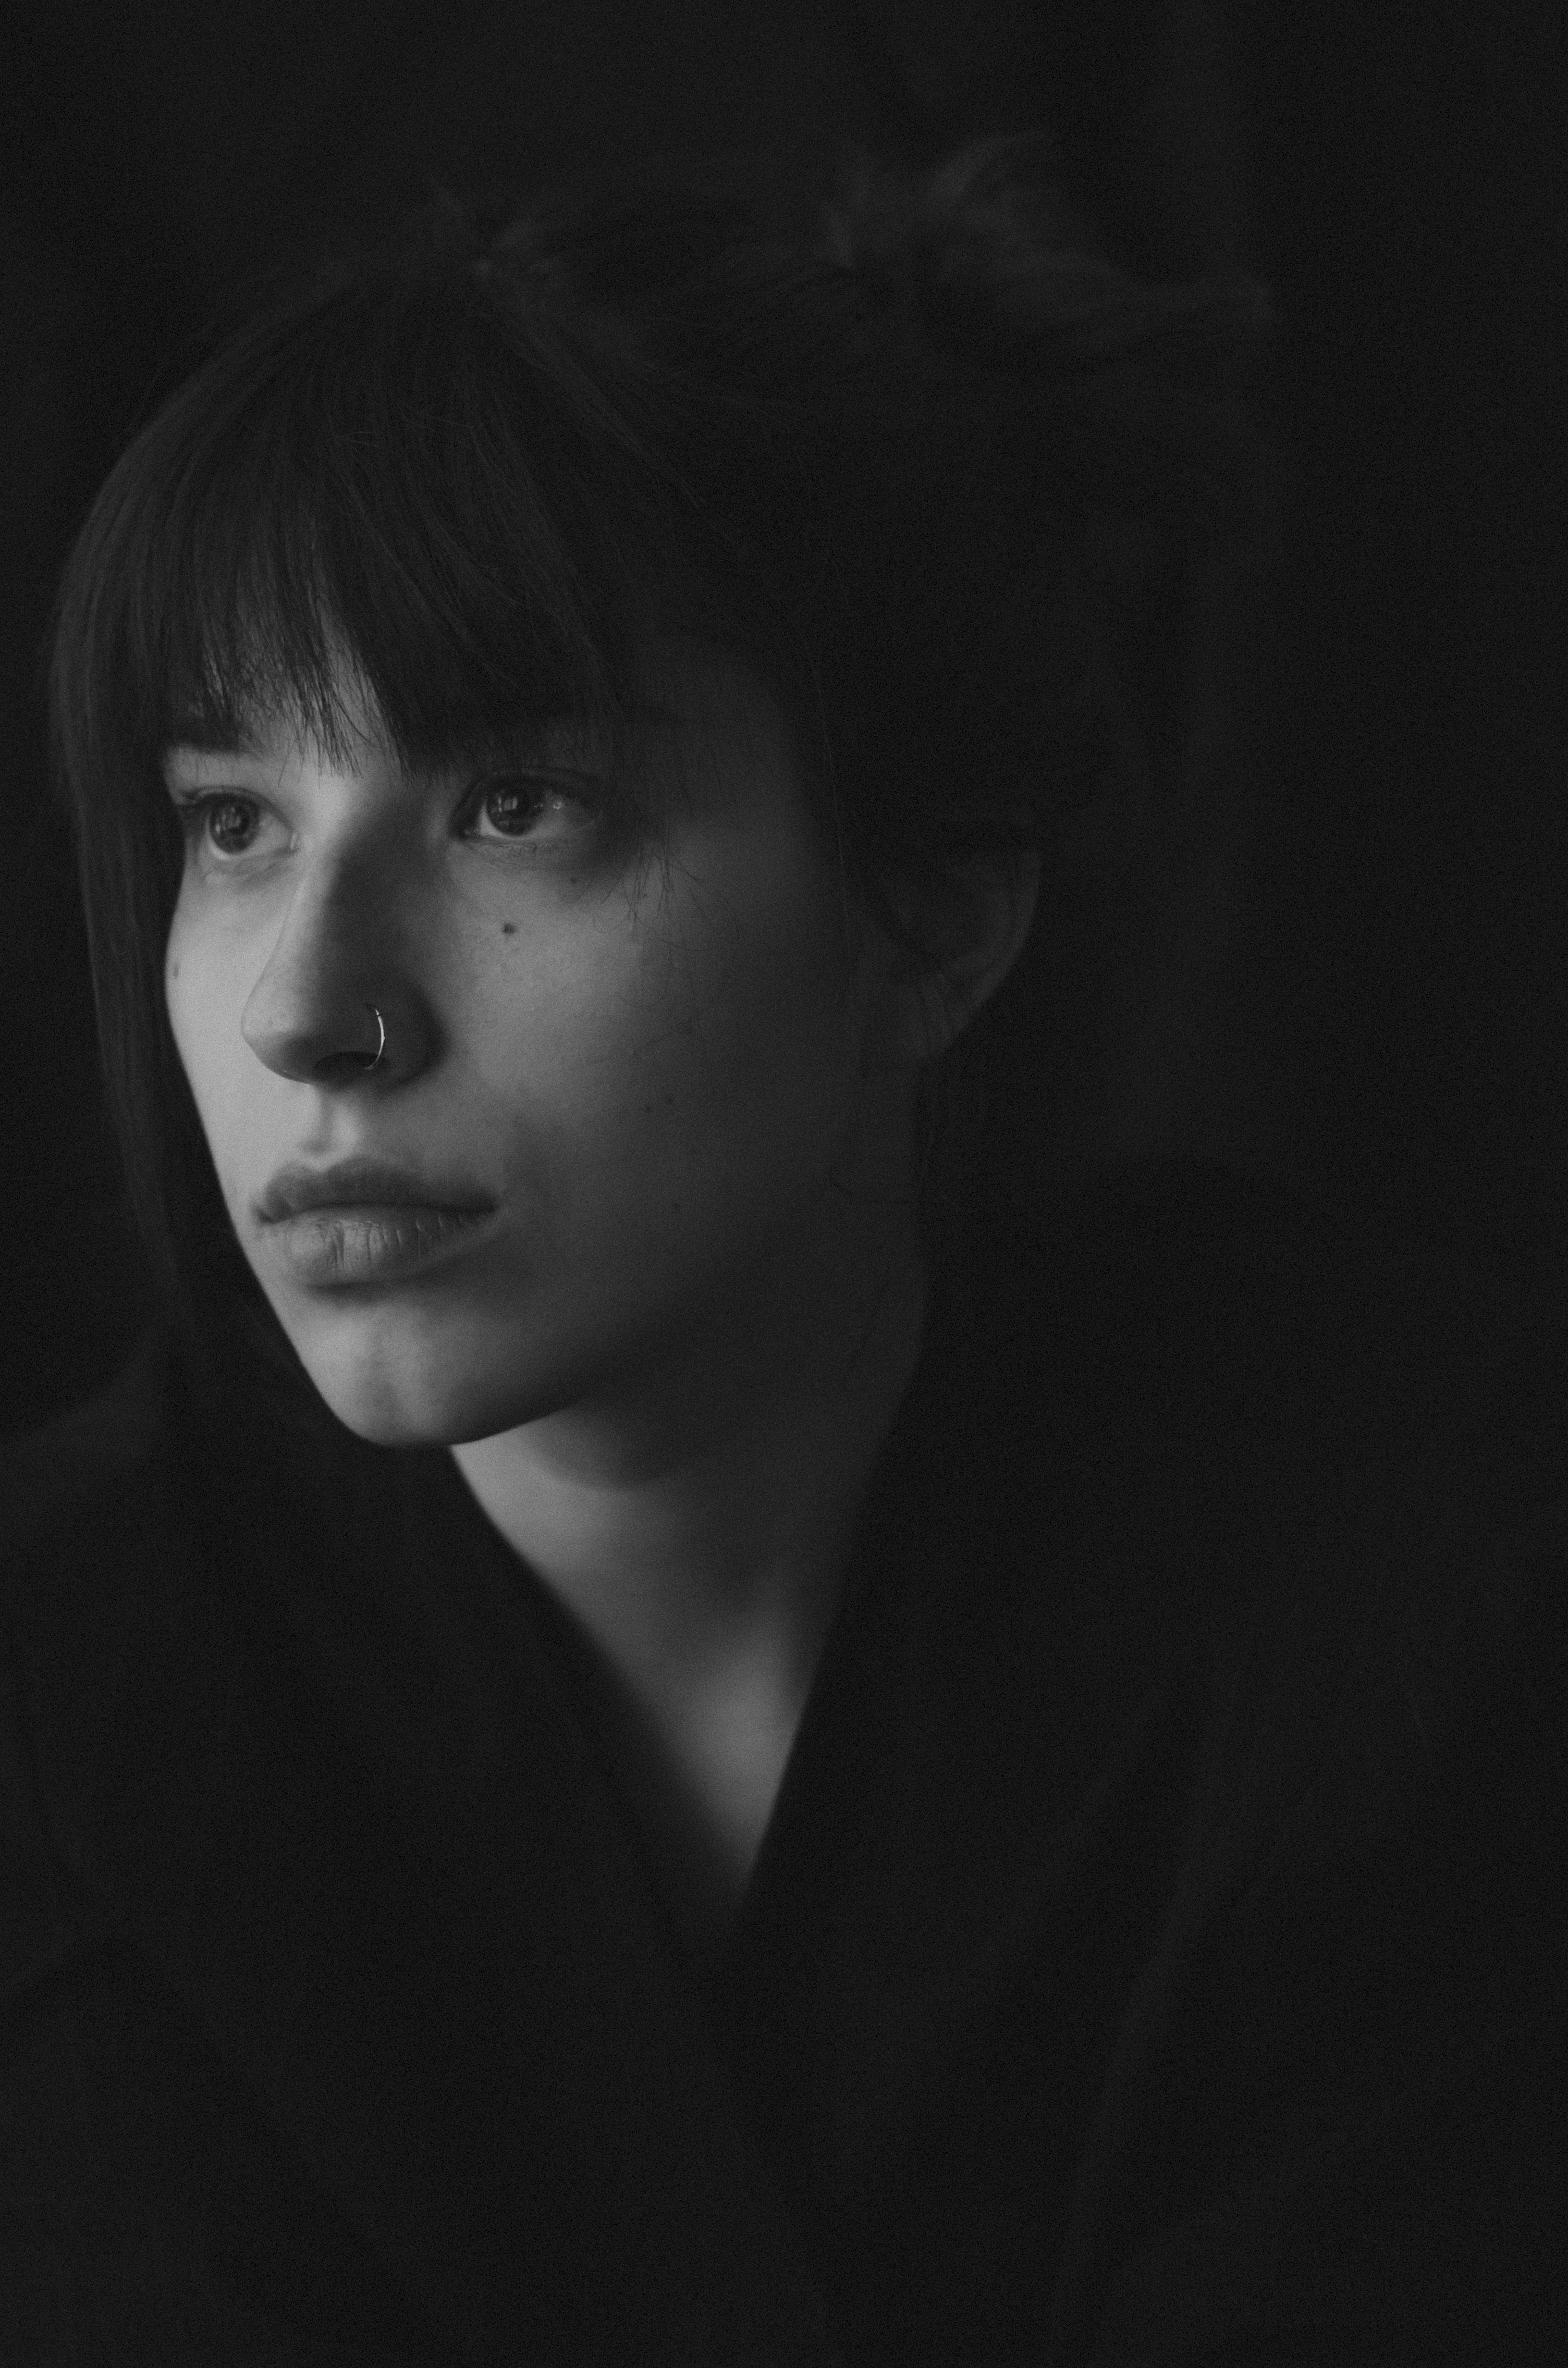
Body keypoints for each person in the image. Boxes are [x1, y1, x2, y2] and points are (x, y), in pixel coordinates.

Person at [1, 136, 1560, 2366]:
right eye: (234, 823)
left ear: (932, 915)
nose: (302, 1005)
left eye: (514, 801)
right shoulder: (67, 1694)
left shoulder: (1422, 1603)